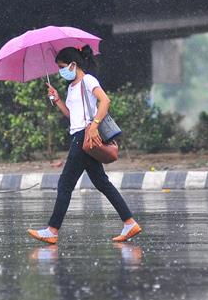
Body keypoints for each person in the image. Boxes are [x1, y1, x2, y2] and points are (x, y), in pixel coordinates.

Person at [27, 45, 142, 244]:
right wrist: (57, 100)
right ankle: (129, 223)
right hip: (80, 135)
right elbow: (73, 117)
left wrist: (95, 125)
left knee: (65, 184)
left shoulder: (88, 80)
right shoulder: (71, 87)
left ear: (73, 64)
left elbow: (105, 100)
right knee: (101, 183)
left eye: (62, 67)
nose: (61, 72)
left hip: (85, 136)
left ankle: (52, 230)